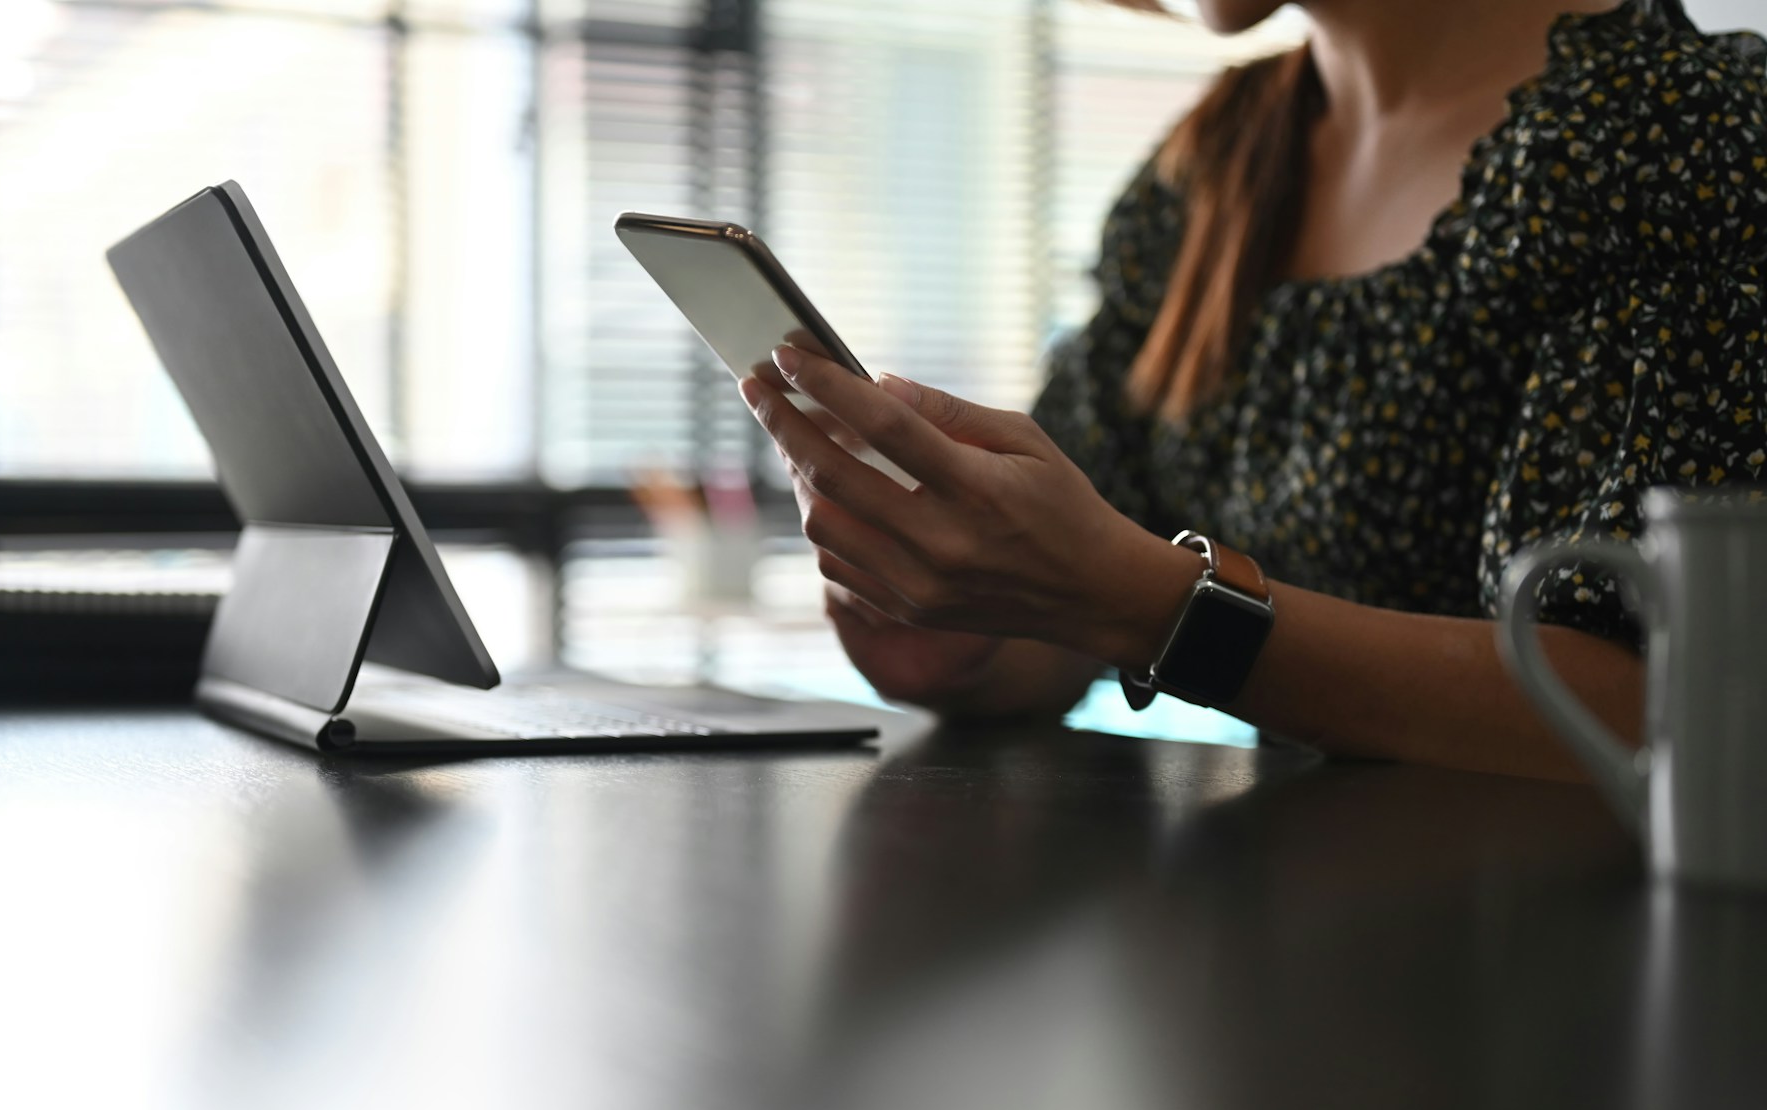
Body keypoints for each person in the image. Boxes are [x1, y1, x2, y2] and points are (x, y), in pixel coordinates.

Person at [737, 0, 1766, 781]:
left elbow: (1657, 708)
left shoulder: (1687, 136)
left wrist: (1144, 604)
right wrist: (962, 635)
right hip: (1283, 972)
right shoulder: (1214, 167)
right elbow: (1088, 581)